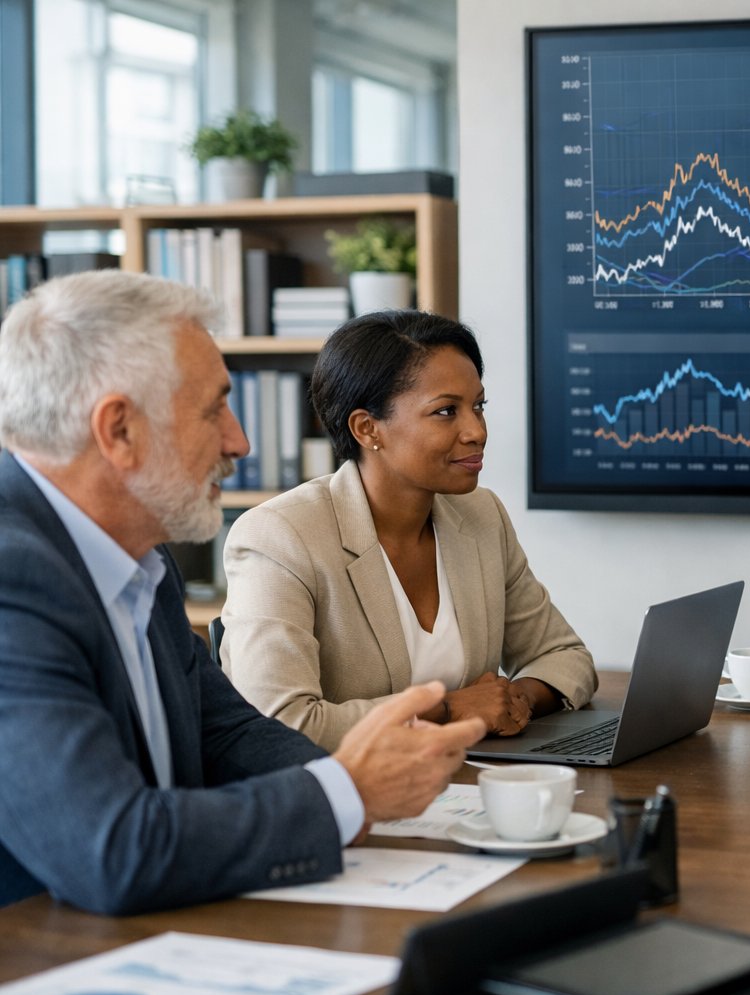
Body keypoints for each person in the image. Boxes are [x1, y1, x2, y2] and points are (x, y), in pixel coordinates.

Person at [0, 271, 486, 915]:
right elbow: (110, 848)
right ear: (118, 430)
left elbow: (226, 733)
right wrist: (346, 793)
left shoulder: (139, 556)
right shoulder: (14, 578)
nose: (240, 442)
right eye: (212, 410)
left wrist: (368, 785)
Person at [220, 310, 596, 752]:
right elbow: (282, 723)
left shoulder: (480, 515)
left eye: (478, 406)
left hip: (466, 788)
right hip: (349, 804)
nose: (477, 431)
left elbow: (565, 657)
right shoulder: (280, 538)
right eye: (445, 412)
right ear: (367, 429)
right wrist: (449, 710)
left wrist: (514, 700)